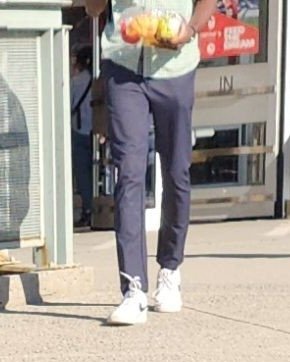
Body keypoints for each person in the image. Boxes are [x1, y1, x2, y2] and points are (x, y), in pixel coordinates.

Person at [85, 0, 220, 324]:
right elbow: (92, 9)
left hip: (175, 66)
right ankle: (133, 289)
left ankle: (170, 269)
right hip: (124, 64)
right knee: (128, 173)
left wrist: (190, 29)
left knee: (176, 171)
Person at [70, 46, 95, 229]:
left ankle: (88, 209)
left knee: (83, 174)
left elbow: (68, 105)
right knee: (97, 173)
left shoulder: (75, 82)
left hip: (78, 131)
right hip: (96, 132)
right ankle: (96, 207)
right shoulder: (97, 81)